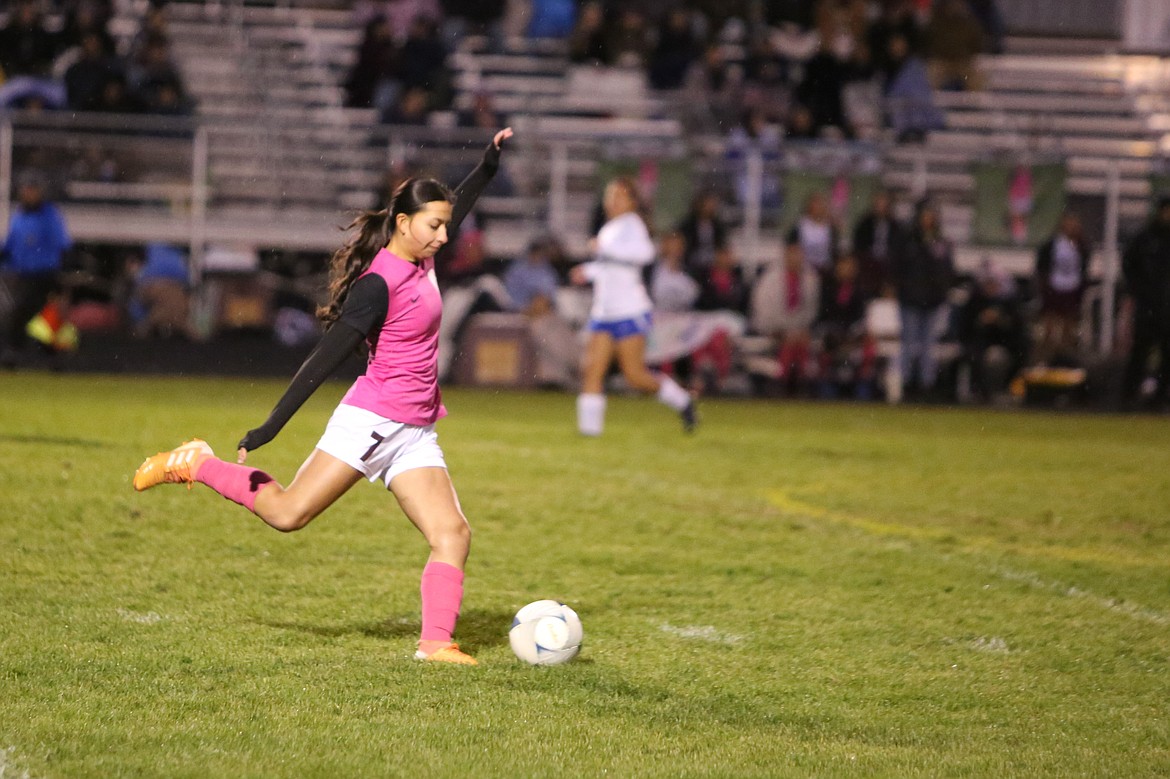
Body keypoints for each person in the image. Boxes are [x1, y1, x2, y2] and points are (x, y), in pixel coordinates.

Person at [132, 128, 515, 666]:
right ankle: (199, 464)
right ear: (403, 224)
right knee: (288, 514)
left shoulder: (422, 256)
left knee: (452, 533)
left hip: (416, 430)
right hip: (372, 422)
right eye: (434, 226)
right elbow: (324, 359)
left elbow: (459, 206)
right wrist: (271, 426)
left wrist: (488, 166)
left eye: (445, 226)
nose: (444, 237)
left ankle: (435, 644)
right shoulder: (379, 284)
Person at [570, 177, 697, 436]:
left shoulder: (633, 225)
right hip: (603, 311)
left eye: (620, 196)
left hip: (629, 310)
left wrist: (606, 249)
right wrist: (589, 271)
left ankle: (682, 400)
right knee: (592, 369)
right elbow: (610, 267)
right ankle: (588, 434)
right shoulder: (611, 228)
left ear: (632, 201)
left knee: (635, 376)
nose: (613, 201)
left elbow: (645, 254)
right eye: (610, 196)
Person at [1, 170, 72, 369]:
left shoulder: (49, 216)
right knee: (36, 320)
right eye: (26, 189)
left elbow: (63, 245)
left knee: (23, 314)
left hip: (44, 276)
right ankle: (51, 357)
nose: (28, 193)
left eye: (32, 189)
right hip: (22, 275)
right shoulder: (19, 216)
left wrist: (61, 273)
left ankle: (14, 353)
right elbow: (10, 246)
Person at [893, 199, 955, 399]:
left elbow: (946, 271)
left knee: (929, 345)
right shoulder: (908, 240)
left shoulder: (941, 242)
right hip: (911, 300)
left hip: (932, 301)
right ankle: (907, 384)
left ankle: (926, 386)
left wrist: (941, 293)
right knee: (909, 343)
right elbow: (899, 268)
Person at [1121, 196, 1170, 408]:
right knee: (1140, 351)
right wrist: (1138, 290)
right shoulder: (1145, 238)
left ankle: (1160, 396)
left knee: (1167, 354)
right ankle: (1128, 395)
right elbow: (1129, 266)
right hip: (1148, 306)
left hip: (1167, 307)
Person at [1033, 211, 1090, 366]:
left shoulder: (1081, 246)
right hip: (1054, 290)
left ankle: (1066, 362)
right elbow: (1042, 267)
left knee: (1069, 330)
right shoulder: (1052, 245)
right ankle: (1044, 362)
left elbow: (1083, 269)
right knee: (1048, 329)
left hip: (1072, 291)